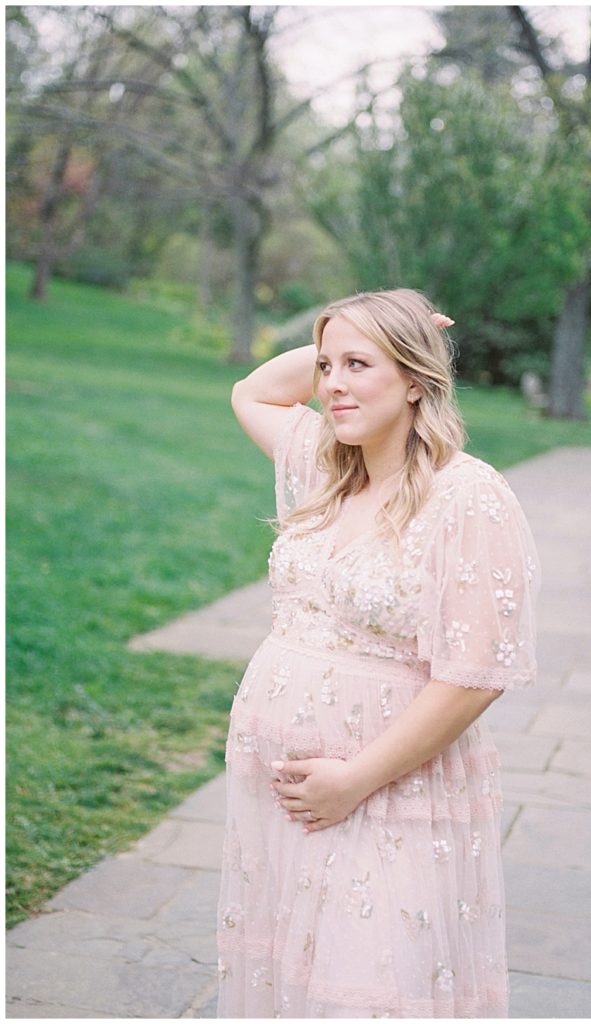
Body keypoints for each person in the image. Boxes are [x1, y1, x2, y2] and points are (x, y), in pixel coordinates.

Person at [216, 287, 540, 1018]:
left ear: (416, 380)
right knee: (295, 980)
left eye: (358, 365)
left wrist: (354, 780)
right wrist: (362, 338)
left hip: (388, 789)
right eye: (325, 366)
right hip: (277, 796)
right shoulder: (327, 468)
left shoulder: (467, 496)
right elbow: (254, 390)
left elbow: (473, 676)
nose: (330, 383)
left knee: (373, 989)